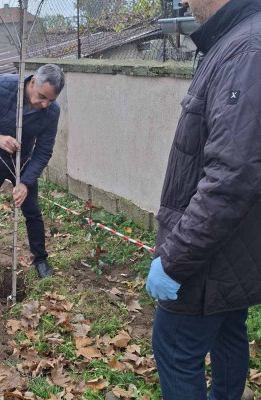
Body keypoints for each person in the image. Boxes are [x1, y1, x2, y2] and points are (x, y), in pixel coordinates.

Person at [145, 0, 261, 398]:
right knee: (228, 330)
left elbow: (231, 177)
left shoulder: (246, 50)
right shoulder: (238, 41)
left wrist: (174, 261)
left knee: (175, 349)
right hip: (233, 247)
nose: (183, 2)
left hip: (209, 255)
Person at [0, 64, 65, 278]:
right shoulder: (1, 86)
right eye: (42, 97)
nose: (45, 104)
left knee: (32, 211)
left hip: (22, 163)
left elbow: (44, 150)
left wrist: (26, 182)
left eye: (51, 100)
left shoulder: (51, 112)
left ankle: (40, 259)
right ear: (32, 82)